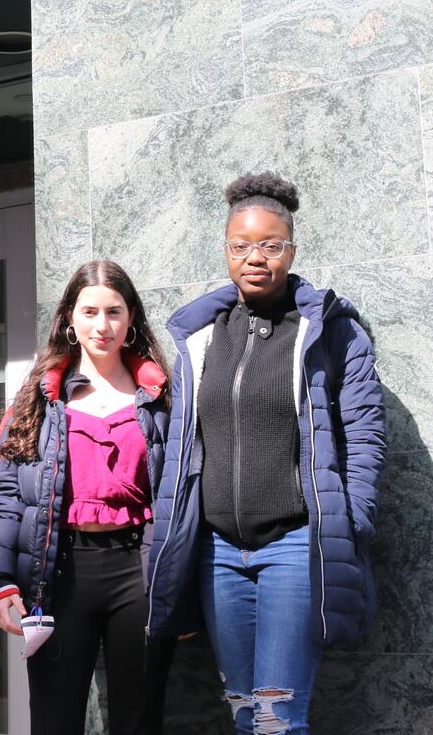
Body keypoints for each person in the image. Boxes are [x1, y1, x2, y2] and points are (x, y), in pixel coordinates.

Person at [144, 172, 387, 734]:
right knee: (242, 712)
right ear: (226, 251)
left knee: (277, 719)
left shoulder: (328, 332)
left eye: (270, 245)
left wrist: (350, 525)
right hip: (218, 554)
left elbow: (364, 436)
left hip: (294, 548)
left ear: (291, 250)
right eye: (241, 245)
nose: (255, 258)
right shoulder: (202, 337)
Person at [0, 260, 176, 735]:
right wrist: (1, 582)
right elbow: (7, 493)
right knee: (54, 720)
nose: (101, 325)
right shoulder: (40, 399)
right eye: (89, 312)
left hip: (140, 570)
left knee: (139, 722)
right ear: (70, 318)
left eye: (113, 312)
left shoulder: (164, 398)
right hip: (58, 573)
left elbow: (184, 496)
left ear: (131, 320)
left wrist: (183, 587)